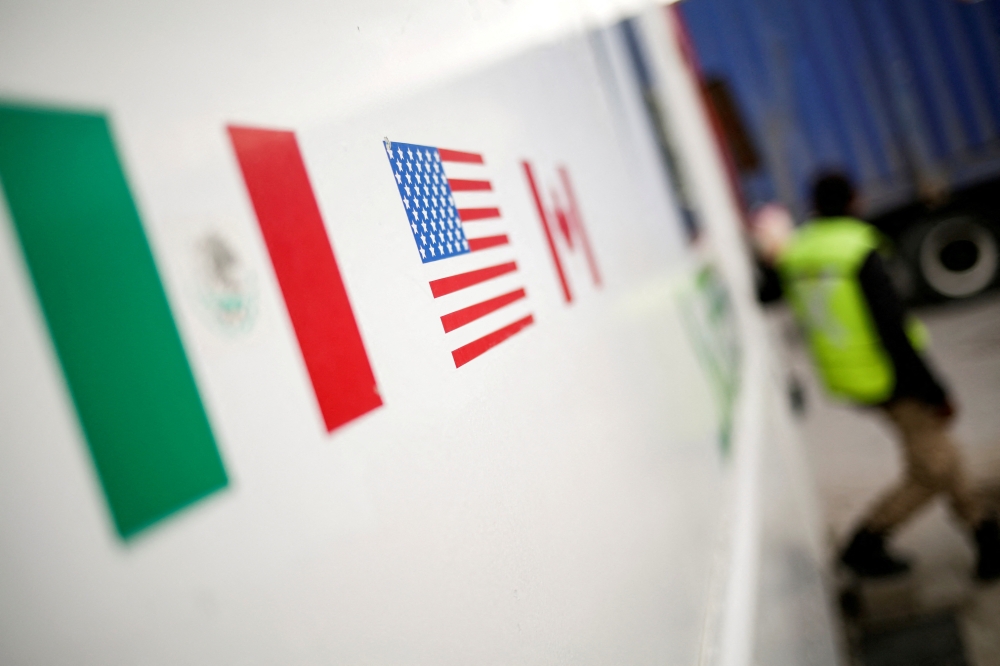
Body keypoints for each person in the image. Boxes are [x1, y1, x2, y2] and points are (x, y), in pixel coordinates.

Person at [776, 172, 1000, 580]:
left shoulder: (800, 252)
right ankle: (866, 542)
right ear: (854, 199)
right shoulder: (857, 248)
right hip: (891, 377)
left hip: (849, 377)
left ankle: (987, 540)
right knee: (934, 468)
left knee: (940, 456)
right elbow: (892, 330)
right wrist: (934, 389)